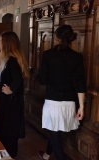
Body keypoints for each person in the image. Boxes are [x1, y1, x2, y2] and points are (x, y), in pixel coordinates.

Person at [38, 25, 86, 160]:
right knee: (56, 132)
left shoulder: (47, 55)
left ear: (56, 38)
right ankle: (47, 155)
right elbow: (81, 83)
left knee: (55, 134)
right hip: (69, 102)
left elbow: (42, 80)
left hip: (52, 101)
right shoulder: (77, 57)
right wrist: (81, 107)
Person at [0, 31, 30, 158]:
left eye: (0, 41)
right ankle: (3, 154)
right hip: (6, 101)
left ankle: (9, 156)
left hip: (11, 103)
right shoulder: (8, 60)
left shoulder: (12, 61)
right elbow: (7, 82)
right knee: (2, 130)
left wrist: (10, 90)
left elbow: (17, 81)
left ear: (6, 44)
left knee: (8, 132)